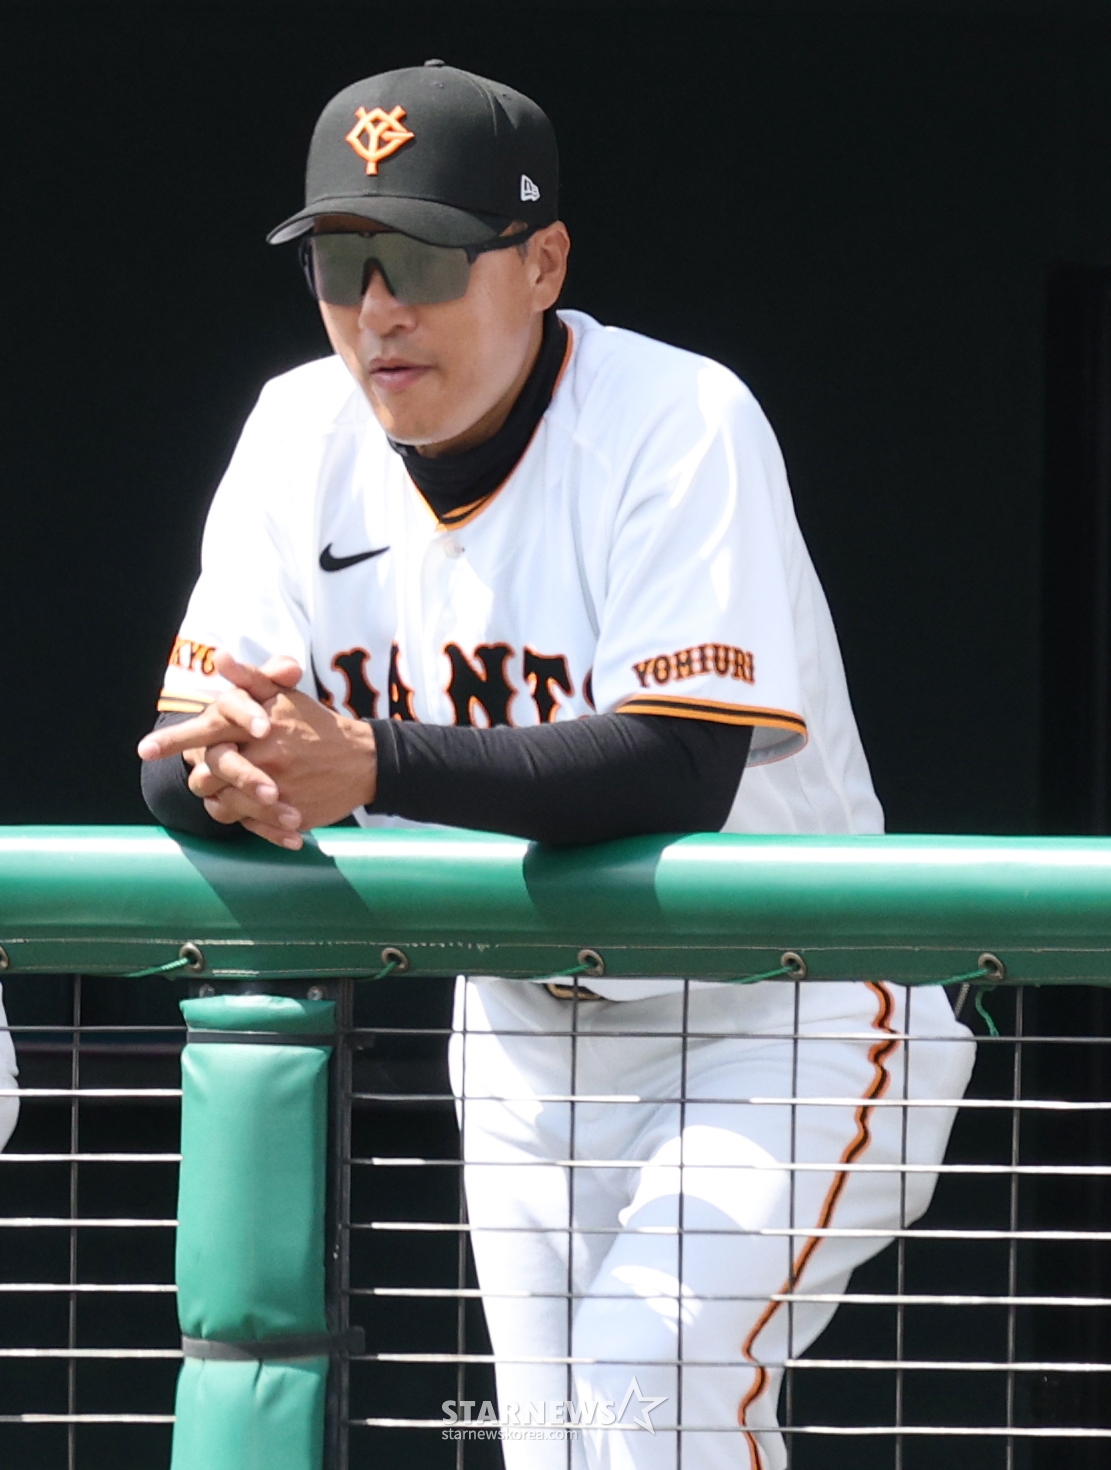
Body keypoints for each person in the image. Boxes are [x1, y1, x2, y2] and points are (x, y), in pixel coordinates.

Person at [138, 61, 974, 1470]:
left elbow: (674, 766)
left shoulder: (678, 418)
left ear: (542, 263)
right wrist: (236, 769)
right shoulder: (295, 432)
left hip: (784, 1004)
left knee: (651, 1394)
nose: (378, 310)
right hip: (526, 1025)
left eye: (422, 260)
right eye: (341, 265)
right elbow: (180, 755)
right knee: (568, 1446)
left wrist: (363, 761)